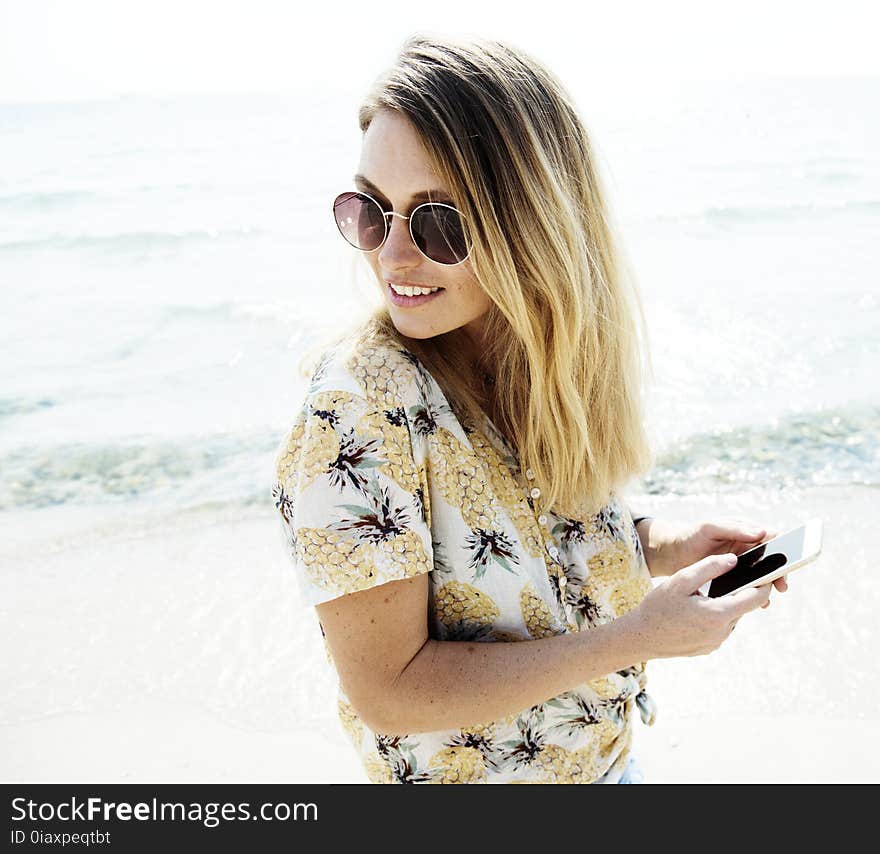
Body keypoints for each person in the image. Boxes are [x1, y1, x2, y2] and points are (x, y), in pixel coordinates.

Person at [271, 33, 788, 784]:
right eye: (372, 211)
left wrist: (664, 546)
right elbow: (389, 691)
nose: (392, 254)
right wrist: (636, 636)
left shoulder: (527, 360)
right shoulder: (354, 417)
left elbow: (520, 543)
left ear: (533, 222)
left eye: (440, 221)